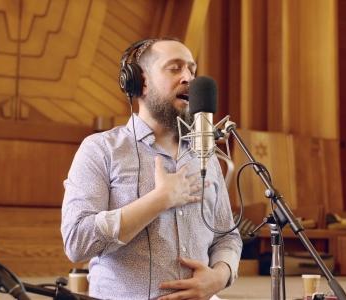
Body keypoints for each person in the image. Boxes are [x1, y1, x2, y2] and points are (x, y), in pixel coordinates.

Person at [61, 38, 242, 300]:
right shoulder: (100, 149)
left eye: (192, 69)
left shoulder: (206, 156)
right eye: (175, 68)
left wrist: (219, 276)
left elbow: (228, 237)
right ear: (140, 81)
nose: (188, 78)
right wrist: (159, 200)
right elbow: (77, 242)